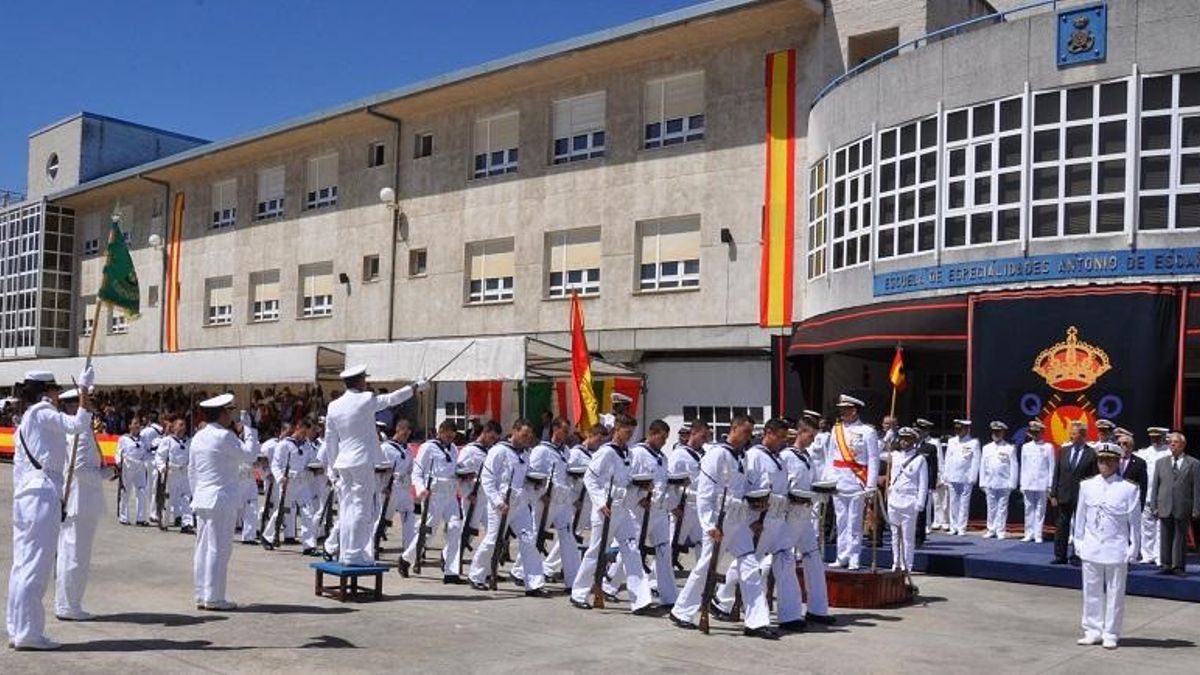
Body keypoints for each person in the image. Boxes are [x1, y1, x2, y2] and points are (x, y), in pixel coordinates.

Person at [6, 368, 93, 650]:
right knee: (36, 566)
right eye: (55, 390)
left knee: (22, 565)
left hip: (29, 493)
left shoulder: (26, 420)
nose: (58, 395)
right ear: (46, 391)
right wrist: (84, 393)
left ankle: (18, 628)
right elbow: (78, 425)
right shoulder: (42, 411)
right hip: (41, 493)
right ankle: (29, 633)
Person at [668, 414, 777, 638]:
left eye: (751, 432)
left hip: (739, 520)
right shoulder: (717, 454)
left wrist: (756, 511)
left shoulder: (744, 457)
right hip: (719, 519)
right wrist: (708, 525)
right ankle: (681, 612)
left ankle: (756, 622)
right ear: (734, 429)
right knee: (705, 567)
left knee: (750, 568)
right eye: (746, 431)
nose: (749, 436)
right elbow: (705, 493)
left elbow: (748, 488)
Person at [324, 364, 424, 566]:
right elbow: (391, 399)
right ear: (360, 381)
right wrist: (414, 388)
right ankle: (354, 553)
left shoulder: (333, 406)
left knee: (347, 507)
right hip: (361, 461)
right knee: (362, 507)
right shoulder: (366, 399)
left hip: (343, 462)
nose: (366, 382)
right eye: (364, 379)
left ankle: (345, 552)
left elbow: (330, 439)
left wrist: (332, 468)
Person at [570, 414, 654, 613]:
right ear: (617, 429)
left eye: (632, 433)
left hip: (623, 508)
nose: (630, 436)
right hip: (606, 509)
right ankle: (579, 593)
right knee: (596, 552)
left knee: (632, 551)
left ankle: (640, 599)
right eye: (627, 432)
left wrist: (642, 488)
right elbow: (591, 478)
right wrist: (599, 502)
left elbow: (627, 481)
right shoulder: (606, 452)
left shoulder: (628, 453)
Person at [188, 394, 260, 611]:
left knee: (202, 548)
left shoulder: (199, 436)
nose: (231, 415)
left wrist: (197, 494)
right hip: (220, 498)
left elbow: (192, 471)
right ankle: (214, 596)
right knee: (219, 548)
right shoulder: (224, 436)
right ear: (221, 414)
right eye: (228, 411)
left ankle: (202, 593)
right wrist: (249, 431)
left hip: (202, 498)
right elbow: (250, 455)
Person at [468, 419, 550, 596]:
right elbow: (487, 479)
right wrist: (498, 501)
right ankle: (477, 575)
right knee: (493, 540)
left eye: (530, 435)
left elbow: (526, 480)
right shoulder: (499, 451)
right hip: (500, 504)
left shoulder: (526, 454)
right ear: (514, 431)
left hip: (520, 504)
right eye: (524, 434)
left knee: (529, 540)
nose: (528, 438)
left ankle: (534, 583)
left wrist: (537, 487)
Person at [1073, 444, 1140, 650]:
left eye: (1110, 460)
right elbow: (1080, 517)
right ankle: (1092, 630)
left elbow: (1134, 523)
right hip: (1092, 546)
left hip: (1116, 548)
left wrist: (1134, 548)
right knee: (1091, 591)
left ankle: (1111, 632)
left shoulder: (1129, 488)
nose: (1105, 464)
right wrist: (1078, 542)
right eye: (1101, 460)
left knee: (1115, 594)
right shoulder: (1087, 486)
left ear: (1118, 462)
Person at [54, 388, 105, 623]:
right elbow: (82, 470)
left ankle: (66, 602)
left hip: (77, 500)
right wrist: (106, 473)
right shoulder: (80, 432)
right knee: (76, 556)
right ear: (76, 405)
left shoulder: (73, 429)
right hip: (81, 500)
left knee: (69, 554)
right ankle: (69, 605)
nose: (93, 405)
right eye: (88, 401)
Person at [783, 413, 834, 625]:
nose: (813, 440)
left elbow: (813, 483)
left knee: (813, 559)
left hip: (804, 515)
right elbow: (782, 486)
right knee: (771, 561)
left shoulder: (807, 458)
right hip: (788, 515)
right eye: (811, 436)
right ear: (802, 432)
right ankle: (726, 596)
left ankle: (817, 609)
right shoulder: (786, 456)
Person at [403, 419, 464, 583]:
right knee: (428, 533)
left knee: (455, 528)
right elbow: (417, 472)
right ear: (441, 431)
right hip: (434, 495)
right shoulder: (428, 447)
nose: (450, 437)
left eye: (453, 434)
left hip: (450, 494)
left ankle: (451, 571)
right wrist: (421, 489)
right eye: (448, 433)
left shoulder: (452, 449)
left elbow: (454, 469)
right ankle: (406, 559)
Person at [824, 395, 879, 570]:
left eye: (845, 409)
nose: (841, 412)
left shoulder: (867, 431)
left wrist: (870, 484)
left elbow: (873, 458)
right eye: (841, 409)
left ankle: (854, 557)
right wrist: (828, 479)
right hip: (839, 480)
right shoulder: (836, 429)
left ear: (854, 410)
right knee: (840, 521)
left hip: (857, 480)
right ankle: (842, 556)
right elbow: (830, 456)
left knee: (854, 522)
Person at [627, 419, 677, 611]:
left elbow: (663, 482)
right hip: (641, 510)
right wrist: (638, 498)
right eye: (662, 437)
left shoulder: (663, 458)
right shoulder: (637, 453)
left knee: (664, 550)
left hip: (659, 510)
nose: (664, 441)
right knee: (632, 551)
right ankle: (610, 584)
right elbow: (629, 480)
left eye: (666, 438)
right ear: (652, 433)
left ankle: (669, 595)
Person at [529, 417, 580, 592]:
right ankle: (522, 571)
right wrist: (540, 494)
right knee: (535, 535)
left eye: (568, 431)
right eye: (564, 430)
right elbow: (533, 475)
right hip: (546, 500)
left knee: (568, 537)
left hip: (562, 500)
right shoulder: (541, 450)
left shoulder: (566, 451)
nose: (567, 435)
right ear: (555, 429)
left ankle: (572, 581)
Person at [1150, 432, 1200, 576]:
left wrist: (1196, 508)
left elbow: (1196, 488)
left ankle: (1178, 566)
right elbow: (1156, 486)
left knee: (1179, 537)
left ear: (1183, 445)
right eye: (1170, 442)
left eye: (1175, 442)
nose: (1172, 444)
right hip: (1164, 504)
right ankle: (1166, 564)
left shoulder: (1194, 463)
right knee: (1165, 535)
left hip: (1183, 506)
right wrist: (1154, 505)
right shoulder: (1161, 462)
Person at [1051, 422, 1098, 565]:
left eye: (1074, 433)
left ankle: (1077, 555)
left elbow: (1093, 477)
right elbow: (1057, 473)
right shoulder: (1064, 451)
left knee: (1080, 528)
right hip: (1064, 495)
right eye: (1071, 433)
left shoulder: (1091, 454)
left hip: (1082, 497)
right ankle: (1060, 555)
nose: (1071, 435)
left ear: (1083, 435)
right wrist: (1053, 493)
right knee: (1062, 526)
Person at [668, 420, 708, 567]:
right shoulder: (679, 454)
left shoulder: (704, 455)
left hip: (699, 505)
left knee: (703, 543)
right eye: (703, 436)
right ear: (693, 433)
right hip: (683, 506)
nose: (705, 440)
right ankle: (655, 580)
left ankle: (702, 580)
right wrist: (672, 506)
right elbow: (670, 482)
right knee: (672, 544)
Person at [887, 427, 928, 571]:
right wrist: (888, 436)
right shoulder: (895, 455)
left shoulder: (920, 459)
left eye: (908, 439)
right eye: (902, 438)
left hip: (909, 500)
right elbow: (878, 453)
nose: (904, 442)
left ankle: (907, 565)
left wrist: (920, 503)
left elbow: (923, 483)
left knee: (907, 537)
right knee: (894, 535)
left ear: (914, 440)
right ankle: (896, 562)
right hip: (894, 499)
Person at [1135, 427, 1171, 565]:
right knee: (1147, 527)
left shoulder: (1168, 453)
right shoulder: (1145, 453)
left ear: (1164, 437)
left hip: (1162, 495)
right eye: (1152, 438)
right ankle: (1147, 554)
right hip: (1147, 495)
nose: (1155, 440)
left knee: (1160, 528)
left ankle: (1159, 556)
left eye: (1157, 437)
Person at [155, 415, 194, 534]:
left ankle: (187, 523)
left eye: (184, 425)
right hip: (171, 471)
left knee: (186, 498)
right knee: (168, 498)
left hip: (184, 472)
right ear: (174, 427)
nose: (183, 428)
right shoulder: (168, 440)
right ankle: (164, 521)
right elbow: (160, 455)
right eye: (180, 425)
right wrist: (162, 467)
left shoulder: (189, 441)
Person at [979, 421, 1018, 539]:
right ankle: (991, 529)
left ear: (1003, 433)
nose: (996, 434)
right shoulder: (986, 448)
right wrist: (982, 482)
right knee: (991, 507)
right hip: (990, 482)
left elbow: (1014, 466)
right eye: (994, 432)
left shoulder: (1009, 448)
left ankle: (1001, 530)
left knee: (1002, 508)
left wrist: (1012, 483)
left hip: (1004, 482)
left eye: (998, 432)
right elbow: (983, 465)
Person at [1019, 420, 1055, 543]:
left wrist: (1050, 485)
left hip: (1042, 483)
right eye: (1033, 432)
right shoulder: (1026, 447)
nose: (1035, 435)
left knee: (1040, 510)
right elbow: (1023, 467)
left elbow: (1051, 467)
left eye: (1037, 432)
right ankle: (1029, 533)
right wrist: (1022, 483)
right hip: (1028, 483)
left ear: (1042, 432)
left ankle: (1038, 534)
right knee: (1028, 509)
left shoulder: (1048, 447)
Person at [942, 420, 980, 536]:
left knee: (964, 503)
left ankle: (961, 527)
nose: (958, 431)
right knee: (953, 502)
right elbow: (947, 459)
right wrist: (945, 474)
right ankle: (953, 526)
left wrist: (973, 476)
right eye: (956, 429)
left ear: (967, 429)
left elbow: (975, 460)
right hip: (952, 476)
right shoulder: (952, 441)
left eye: (960, 429)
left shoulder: (973, 442)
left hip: (966, 476)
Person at [116, 417, 149, 526]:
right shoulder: (124, 439)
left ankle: (141, 518)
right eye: (134, 423)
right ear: (129, 426)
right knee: (126, 491)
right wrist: (119, 464)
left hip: (140, 466)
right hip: (128, 466)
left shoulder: (143, 439)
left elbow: (147, 451)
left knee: (142, 492)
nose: (137, 426)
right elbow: (118, 452)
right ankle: (124, 517)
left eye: (138, 424)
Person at [913, 418, 939, 546]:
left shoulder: (930, 447)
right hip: (910, 483)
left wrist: (932, 484)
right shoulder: (907, 446)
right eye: (916, 431)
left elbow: (933, 467)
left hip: (923, 483)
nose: (918, 434)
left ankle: (919, 537)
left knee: (921, 511)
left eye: (921, 431)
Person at [1113, 430, 1147, 509]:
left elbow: (1142, 487)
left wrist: (1140, 507)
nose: (1121, 446)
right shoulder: (1112, 461)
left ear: (1131, 446)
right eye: (1119, 444)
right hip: (1114, 503)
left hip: (1130, 504)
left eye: (1125, 443)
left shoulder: (1139, 463)